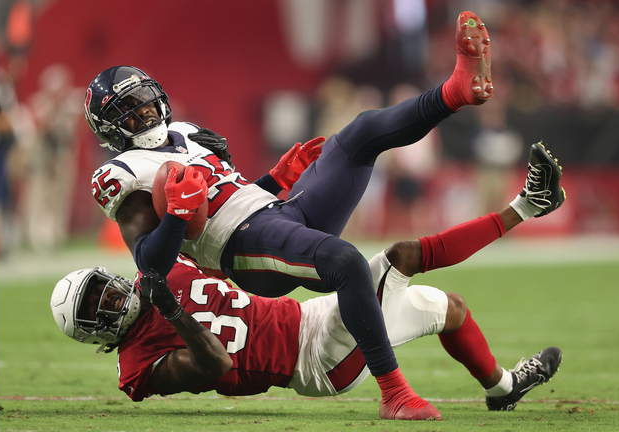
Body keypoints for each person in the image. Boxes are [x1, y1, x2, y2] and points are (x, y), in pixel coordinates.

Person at [84, 11, 565, 420]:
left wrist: (274, 179)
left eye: (147, 102)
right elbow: (151, 264)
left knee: (357, 137)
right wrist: (175, 218)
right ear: (111, 128)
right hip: (246, 250)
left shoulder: (186, 134)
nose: (147, 114)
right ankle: (394, 391)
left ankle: (455, 92)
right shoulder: (123, 173)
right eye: (131, 112)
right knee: (349, 261)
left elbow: (232, 197)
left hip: (275, 214)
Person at [51, 144, 564, 421]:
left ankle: (503, 387)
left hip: (310, 319)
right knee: (402, 257)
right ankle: (528, 205)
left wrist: (274, 181)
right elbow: (215, 363)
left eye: (100, 286)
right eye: (96, 305)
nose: (110, 297)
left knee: (447, 308)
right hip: (312, 360)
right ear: (93, 333)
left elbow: (221, 245)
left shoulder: (154, 272)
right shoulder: (137, 368)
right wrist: (174, 313)